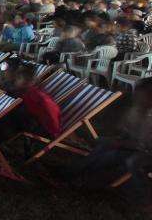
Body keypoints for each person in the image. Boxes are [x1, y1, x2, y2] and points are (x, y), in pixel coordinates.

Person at [61, 78, 152, 213]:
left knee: (112, 156)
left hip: (144, 152)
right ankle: (73, 172)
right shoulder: (136, 111)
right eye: (137, 94)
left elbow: (143, 145)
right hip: (131, 146)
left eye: (142, 95)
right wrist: (116, 139)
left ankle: (83, 180)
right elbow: (127, 132)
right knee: (102, 146)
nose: (137, 97)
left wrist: (118, 143)